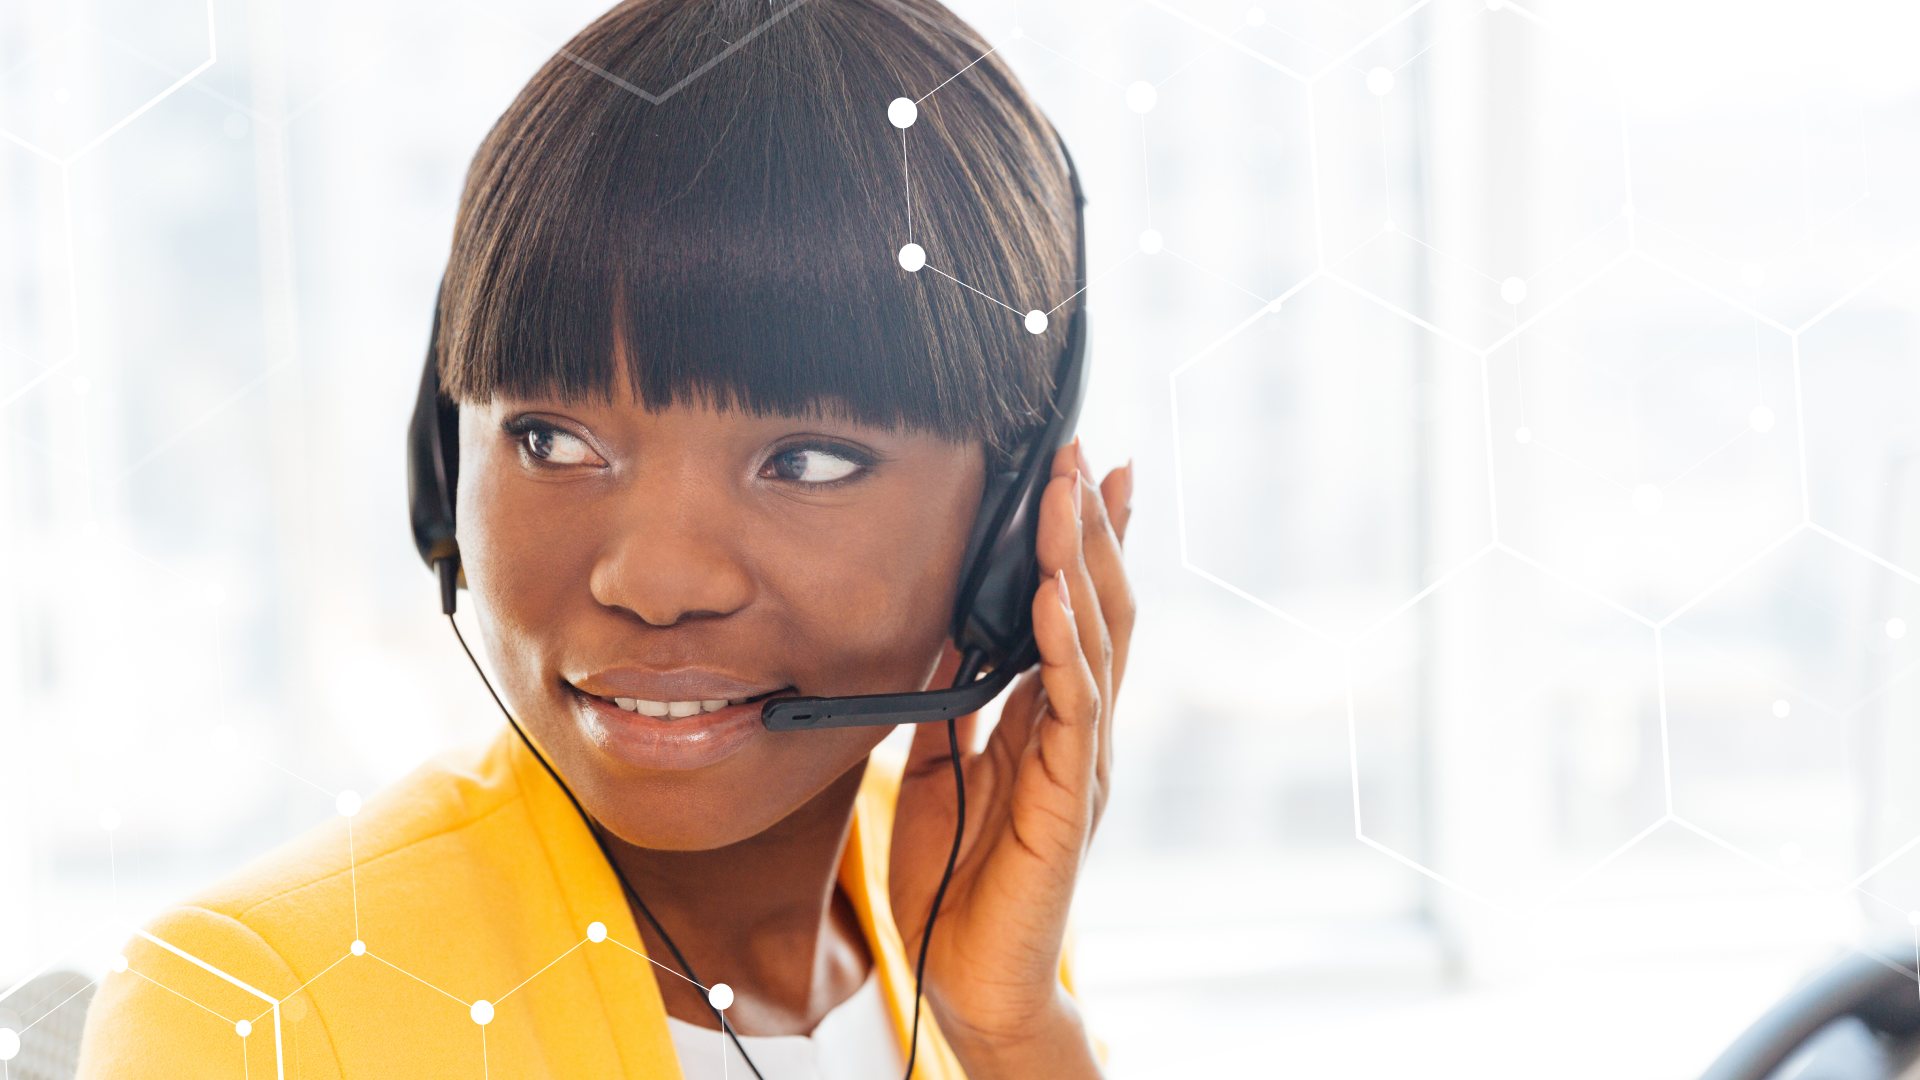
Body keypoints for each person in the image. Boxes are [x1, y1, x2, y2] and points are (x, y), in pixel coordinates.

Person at [77, 0, 1133, 1076]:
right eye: (552, 440)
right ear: (444, 463)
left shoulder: (956, 882)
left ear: (1012, 527)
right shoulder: (256, 1016)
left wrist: (1011, 1032)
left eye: (807, 461)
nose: (655, 582)